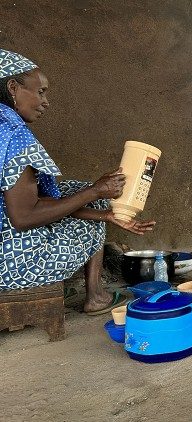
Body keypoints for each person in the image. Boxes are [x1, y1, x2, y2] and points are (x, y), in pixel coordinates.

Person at [0, 49, 155, 314]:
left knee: (75, 191)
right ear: (13, 87)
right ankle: (95, 296)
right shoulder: (14, 136)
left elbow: (35, 199)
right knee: (86, 197)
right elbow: (23, 216)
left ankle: (87, 289)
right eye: (41, 92)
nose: (46, 101)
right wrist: (95, 192)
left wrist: (104, 214)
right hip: (13, 266)